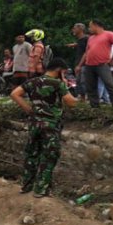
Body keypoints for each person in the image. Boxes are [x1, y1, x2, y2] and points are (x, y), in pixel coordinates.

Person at [10, 58, 78, 197]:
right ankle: (40, 189)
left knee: (32, 154)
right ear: (59, 70)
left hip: (34, 123)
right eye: (63, 72)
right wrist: (68, 87)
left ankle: (26, 185)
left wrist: (29, 109)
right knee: (49, 156)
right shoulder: (57, 83)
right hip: (50, 125)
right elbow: (71, 103)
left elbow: (14, 94)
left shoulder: (32, 82)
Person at [75, 20, 113, 109]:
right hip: (89, 64)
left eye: (90, 26)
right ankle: (94, 105)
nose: (89, 29)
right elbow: (86, 52)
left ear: (96, 26)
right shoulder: (91, 38)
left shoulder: (109, 34)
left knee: (109, 83)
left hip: (102, 64)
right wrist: (79, 65)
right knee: (90, 86)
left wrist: (112, 59)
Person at [67, 23, 89, 100]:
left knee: (83, 81)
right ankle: (81, 96)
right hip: (78, 62)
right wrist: (74, 45)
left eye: (75, 28)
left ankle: (85, 97)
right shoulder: (80, 39)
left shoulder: (86, 38)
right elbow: (81, 45)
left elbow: (87, 51)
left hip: (83, 63)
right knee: (78, 81)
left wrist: (79, 65)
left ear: (80, 29)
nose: (73, 30)